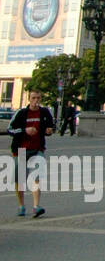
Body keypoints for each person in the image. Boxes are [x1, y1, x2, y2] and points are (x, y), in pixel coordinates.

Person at [8, 90, 55, 218]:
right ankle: (21, 205)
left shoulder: (44, 112)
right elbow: (10, 129)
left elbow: (50, 127)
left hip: (37, 149)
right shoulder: (22, 113)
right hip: (21, 149)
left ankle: (36, 206)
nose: (36, 101)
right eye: (33, 98)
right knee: (20, 179)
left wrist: (49, 131)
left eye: (38, 98)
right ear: (29, 99)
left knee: (36, 177)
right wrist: (25, 130)